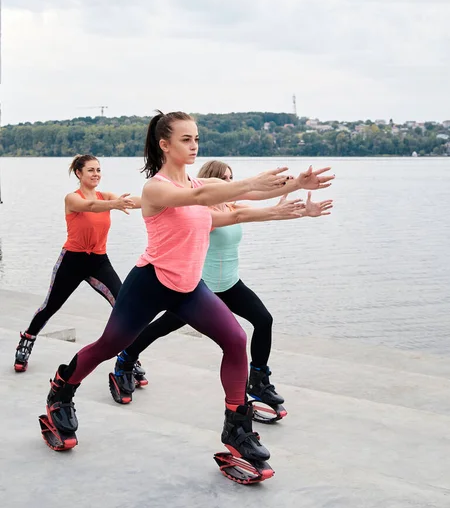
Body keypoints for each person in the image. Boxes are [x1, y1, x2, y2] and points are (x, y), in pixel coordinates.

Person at [40, 111, 333, 473]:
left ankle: (237, 429)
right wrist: (253, 183)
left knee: (235, 338)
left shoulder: (195, 186)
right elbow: (215, 192)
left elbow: (237, 207)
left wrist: (293, 188)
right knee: (109, 345)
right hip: (150, 283)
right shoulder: (156, 188)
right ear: (164, 144)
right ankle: (62, 390)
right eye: (185, 139)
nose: (194, 145)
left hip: (189, 288)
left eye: (196, 139)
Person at [110, 159, 333, 415]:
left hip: (229, 284)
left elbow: (256, 198)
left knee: (263, 320)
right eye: (224, 179)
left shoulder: (230, 203)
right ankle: (126, 357)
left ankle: (259, 379)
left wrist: (298, 204)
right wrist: (276, 210)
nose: (229, 183)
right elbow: (240, 215)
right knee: (162, 327)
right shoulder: (203, 214)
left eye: (231, 178)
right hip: (201, 287)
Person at [14, 154, 144, 383]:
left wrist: (163, 199)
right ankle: (27, 339)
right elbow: (91, 206)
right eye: (91, 170)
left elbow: (132, 201)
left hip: (99, 261)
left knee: (123, 305)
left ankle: (129, 357)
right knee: (50, 306)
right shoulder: (72, 199)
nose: (96, 174)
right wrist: (113, 204)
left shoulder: (107, 196)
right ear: (79, 174)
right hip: (72, 261)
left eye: (98, 170)